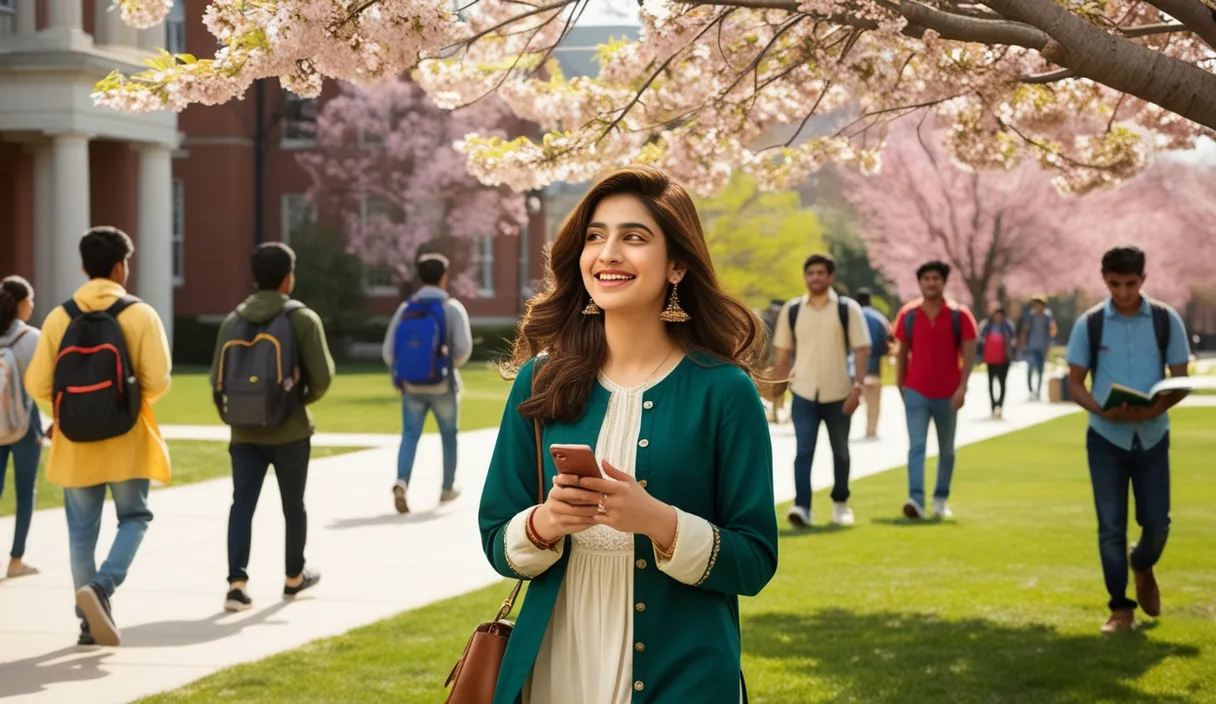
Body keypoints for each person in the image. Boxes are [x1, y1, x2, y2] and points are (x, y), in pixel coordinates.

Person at [477, 166, 778, 704]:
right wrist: (547, 522)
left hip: (683, 671)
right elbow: (496, 538)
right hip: (555, 664)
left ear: (678, 265)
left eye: (633, 238)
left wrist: (657, 522)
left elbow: (754, 561)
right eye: (596, 236)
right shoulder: (541, 379)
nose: (608, 253)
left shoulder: (725, 392)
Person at [24, 226, 172, 647]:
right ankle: (103, 587)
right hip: (126, 438)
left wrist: (69, 411)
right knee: (135, 517)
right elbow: (157, 381)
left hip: (75, 444)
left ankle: (87, 623)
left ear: (84, 266)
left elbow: (38, 384)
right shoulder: (140, 313)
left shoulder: (58, 316)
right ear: (120, 266)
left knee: (81, 532)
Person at [1065, 246, 1190, 634]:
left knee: (1157, 522)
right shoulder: (1090, 324)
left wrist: (1157, 407)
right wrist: (1101, 410)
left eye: (1130, 284)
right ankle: (1121, 608)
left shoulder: (1166, 321)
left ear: (1143, 279)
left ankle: (1143, 563)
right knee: (1110, 526)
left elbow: (1181, 377)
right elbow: (1074, 382)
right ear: (1104, 279)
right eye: (1115, 284)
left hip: (1153, 435)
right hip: (1105, 437)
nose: (1122, 292)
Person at [211, 242, 334, 613]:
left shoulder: (233, 320)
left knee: (241, 505)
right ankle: (294, 577)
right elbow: (323, 378)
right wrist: (293, 401)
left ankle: (236, 584)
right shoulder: (302, 318)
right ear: (287, 277)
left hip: (244, 432)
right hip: (291, 431)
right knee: (293, 505)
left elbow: (217, 377)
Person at [772, 254, 871, 528]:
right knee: (803, 451)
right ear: (805, 277)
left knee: (840, 450)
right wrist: (777, 392)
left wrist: (858, 387)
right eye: (810, 273)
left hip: (839, 392)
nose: (815, 277)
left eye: (820, 273)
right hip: (803, 392)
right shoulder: (792, 310)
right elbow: (783, 355)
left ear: (831, 277)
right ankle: (802, 506)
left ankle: (841, 503)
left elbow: (862, 348)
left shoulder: (846, 309)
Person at [382, 252, 472, 514]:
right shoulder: (451, 307)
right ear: (444, 277)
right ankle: (446, 488)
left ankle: (402, 481)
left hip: (411, 387)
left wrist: (402, 374)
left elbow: (389, 353)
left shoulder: (406, 308)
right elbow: (464, 349)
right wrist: (447, 365)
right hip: (443, 386)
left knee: (409, 436)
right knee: (448, 437)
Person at [892, 261, 978, 520]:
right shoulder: (908, 315)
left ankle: (941, 498)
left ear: (943, 282)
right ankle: (915, 500)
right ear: (920, 283)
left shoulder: (959, 316)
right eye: (926, 278)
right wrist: (900, 385)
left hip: (948, 393)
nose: (931, 283)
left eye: (936, 279)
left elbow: (969, 352)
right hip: (916, 390)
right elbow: (902, 352)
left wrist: (963, 387)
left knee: (947, 449)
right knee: (916, 446)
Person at [0, 275, 42, 578]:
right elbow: (46, 386)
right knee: (25, 493)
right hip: (26, 425)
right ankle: (16, 561)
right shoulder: (32, 338)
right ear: (23, 303)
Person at [855, 288, 890, 439]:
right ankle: (871, 429)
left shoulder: (853, 316)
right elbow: (886, 344)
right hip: (874, 367)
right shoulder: (879, 319)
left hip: (854, 368)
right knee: (873, 402)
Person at [978, 307, 1016, 419]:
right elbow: (980, 339)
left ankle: (1000, 404)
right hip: (991, 359)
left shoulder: (1007, 326)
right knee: (990, 383)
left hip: (1004, 359)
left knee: (1002, 383)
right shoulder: (987, 326)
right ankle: (993, 405)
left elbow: (1013, 340)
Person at [1019, 295, 1057, 400]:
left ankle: (1039, 390)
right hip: (1031, 346)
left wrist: (1049, 343)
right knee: (1030, 368)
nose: (1038, 307)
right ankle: (1031, 390)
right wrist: (1023, 344)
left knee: (1041, 370)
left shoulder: (1047, 316)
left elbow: (1052, 330)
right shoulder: (1030, 316)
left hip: (1042, 347)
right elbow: (1024, 331)